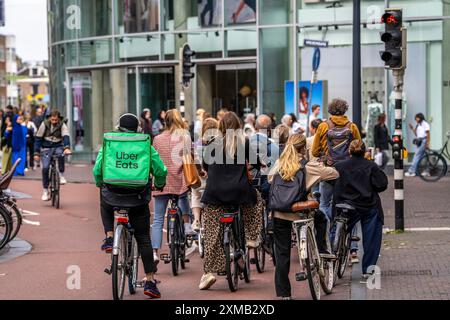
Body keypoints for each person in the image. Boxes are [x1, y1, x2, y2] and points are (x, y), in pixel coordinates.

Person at [93, 113, 167, 299]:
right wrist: (159, 183)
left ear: (118, 127)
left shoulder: (110, 142)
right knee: (143, 238)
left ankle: (110, 237)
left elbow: (97, 169)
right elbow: (160, 169)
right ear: (138, 129)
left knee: (104, 199)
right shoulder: (144, 143)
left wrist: (100, 182)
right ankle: (150, 281)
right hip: (137, 197)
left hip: (112, 194)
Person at [268, 133, 339, 300]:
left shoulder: (279, 164)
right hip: (300, 213)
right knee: (321, 219)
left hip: (280, 213)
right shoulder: (309, 166)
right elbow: (334, 174)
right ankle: (321, 250)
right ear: (304, 149)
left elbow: (270, 180)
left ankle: (284, 294)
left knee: (282, 253)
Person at [199, 111, 264, 290]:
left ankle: (209, 272)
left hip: (215, 193)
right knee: (257, 201)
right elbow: (257, 164)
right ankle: (251, 238)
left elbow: (205, 166)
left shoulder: (212, 144)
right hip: (239, 191)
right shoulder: (244, 142)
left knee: (212, 232)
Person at [333, 140, 388, 277]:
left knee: (338, 225)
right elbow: (382, 184)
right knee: (372, 236)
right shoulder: (370, 166)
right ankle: (368, 269)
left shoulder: (339, 166)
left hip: (346, 205)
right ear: (364, 152)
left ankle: (335, 253)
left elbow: (331, 181)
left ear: (349, 151)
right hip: (368, 205)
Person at [152, 109, 194, 264]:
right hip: (179, 180)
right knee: (183, 196)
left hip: (161, 182)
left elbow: (153, 160)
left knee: (157, 219)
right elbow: (191, 157)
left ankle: (155, 252)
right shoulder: (184, 137)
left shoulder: (157, 139)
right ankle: (188, 226)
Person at [312, 98, 362, 221]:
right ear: (344, 110)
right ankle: (345, 233)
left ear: (330, 111)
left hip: (329, 169)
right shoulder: (352, 126)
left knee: (324, 203)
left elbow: (314, 151)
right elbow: (359, 147)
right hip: (347, 171)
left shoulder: (323, 126)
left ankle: (329, 233)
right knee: (348, 203)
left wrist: (324, 155)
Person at [34, 109, 72, 201]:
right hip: (46, 148)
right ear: (50, 118)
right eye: (52, 120)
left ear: (58, 118)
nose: (54, 121)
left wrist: (67, 148)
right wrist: (36, 153)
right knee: (45, 168)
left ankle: (61, 175)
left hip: (58, 146)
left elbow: (66, 136)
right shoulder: (44, 124)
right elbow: (38, 138)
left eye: (56, 120)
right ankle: (45, 190)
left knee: (61, 155)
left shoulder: (62, 124)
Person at [191, 117, 220, 232]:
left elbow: (197, 163)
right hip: (215, 180)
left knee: (195, 193)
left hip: (202, 179)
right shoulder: (220, 143)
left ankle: (197, 219)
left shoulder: (199, 145)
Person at [406, 113, 430, 177]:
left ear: (420, 117)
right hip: (419, 141)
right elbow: (417, 134)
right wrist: (412, 128)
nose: (416, 119)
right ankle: (426, 171)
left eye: (417, 118)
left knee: (417, 155)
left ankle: (412, 171)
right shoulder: (418, 125)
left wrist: (427, 143)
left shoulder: (425, 124)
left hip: (423, 141)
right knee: (425, 156)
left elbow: (428, 134)